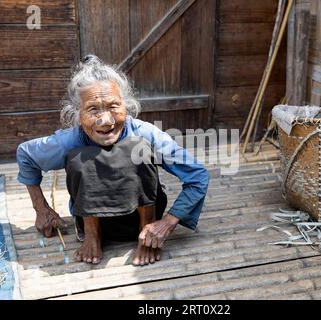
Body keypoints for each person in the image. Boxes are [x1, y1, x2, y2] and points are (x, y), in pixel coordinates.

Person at [16, 55, 209, 266]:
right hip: (92, 221)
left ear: (127, 107)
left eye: (113, 106)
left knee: (138, 149)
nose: (105, 120)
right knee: (79, 157)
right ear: (77, 114)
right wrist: (41, 209)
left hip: (143, 220)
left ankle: (145, 232)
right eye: (93, 109)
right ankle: (92, 236)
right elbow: (26, 154)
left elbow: (197, 176)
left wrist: (166, 224)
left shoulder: (146, 133)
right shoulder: (69, 140)